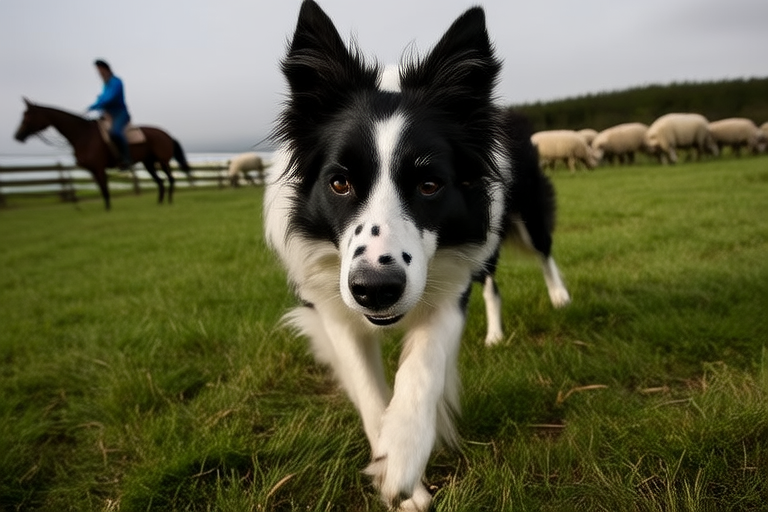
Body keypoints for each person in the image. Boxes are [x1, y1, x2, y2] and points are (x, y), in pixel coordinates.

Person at [88, 59, 132, 169]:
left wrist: (96, 105)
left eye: (100, 71)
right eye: (98, 71)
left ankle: (126, 158)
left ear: (106, 69)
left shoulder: (116, 81)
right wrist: (96, 104)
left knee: (115, 132)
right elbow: (103, 98)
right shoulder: (106, 85)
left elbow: (111, 98)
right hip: (107, 114)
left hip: (120, 114)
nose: (99, 74)